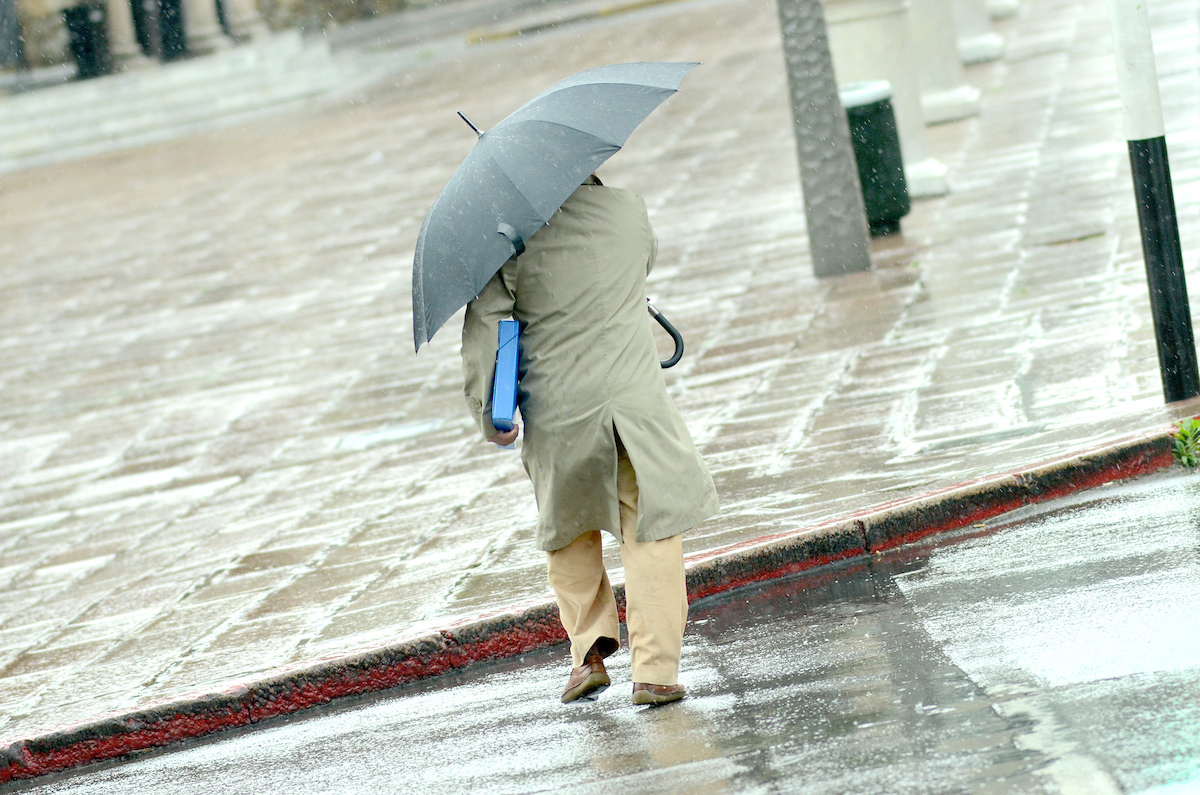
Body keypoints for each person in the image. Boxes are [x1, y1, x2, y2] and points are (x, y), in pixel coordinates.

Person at [460, 174, 719, 706]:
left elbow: (486, 328)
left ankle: (588, 655)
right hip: (634, 405)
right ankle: (655, 673)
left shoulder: (507, 243)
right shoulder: (628, 210)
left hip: (560, 411)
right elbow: (641, 263)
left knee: (567, 530)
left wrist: (490, 415)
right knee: (652, 529)